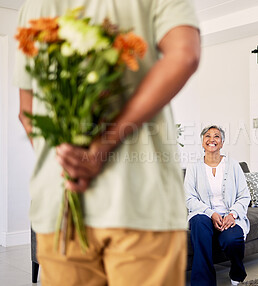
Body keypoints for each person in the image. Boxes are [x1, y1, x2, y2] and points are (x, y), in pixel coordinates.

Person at [15, 0, 200, 285]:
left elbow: (26, 114)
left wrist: (69, 165)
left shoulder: (31, 6)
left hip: (60, 205)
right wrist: (102, 147)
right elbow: (185, 55)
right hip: (140, 202)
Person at [184, 125, 251, 286]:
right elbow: (189, 198)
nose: (211, 139)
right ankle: (203, 283)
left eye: (216, 136)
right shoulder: (194, 168)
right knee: (199, 224)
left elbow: (244, 195)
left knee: (232, 240)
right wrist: (211, 213)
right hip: (203, 215)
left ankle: (237, 272)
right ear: (202, 142)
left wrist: (232, 214)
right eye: (207, 136)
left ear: (221, 143)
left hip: (228, 215)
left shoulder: (233, 166)